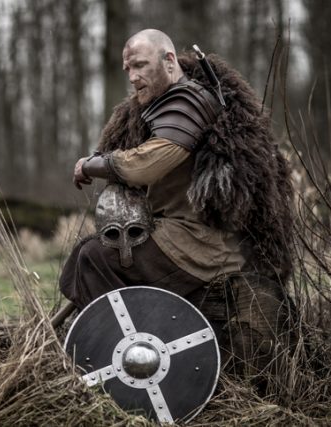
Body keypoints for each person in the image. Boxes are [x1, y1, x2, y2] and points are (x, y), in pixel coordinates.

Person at [59, 29, 295, 376]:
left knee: (95, 258)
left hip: (202, 243)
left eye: (140, 65)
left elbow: (149, 163)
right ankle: (133, 340)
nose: (133, 76)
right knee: (88, 254)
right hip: (184, 238)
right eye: (128, 69)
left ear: (169, 61)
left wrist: (92, 164)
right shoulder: (169, 102)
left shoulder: (186, 100)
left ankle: (124, 357)